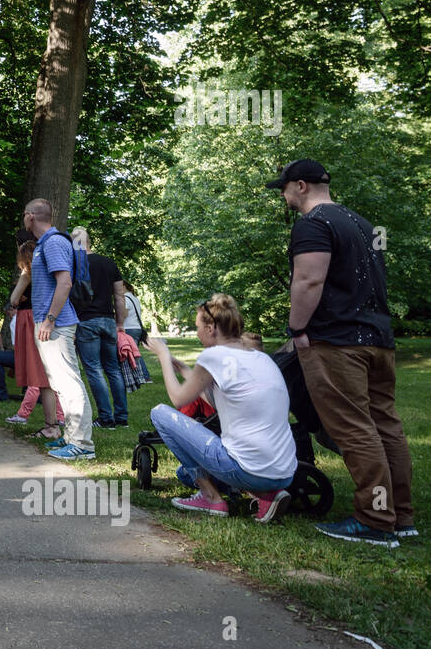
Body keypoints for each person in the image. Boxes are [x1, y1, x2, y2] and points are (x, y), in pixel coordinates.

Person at [269, 158, 414, 547]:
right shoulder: (363, 224)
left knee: (354, 428)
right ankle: (400, 515)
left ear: (300, 185)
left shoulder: (313, 224)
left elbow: (309, 279)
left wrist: (298, 328)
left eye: (283, 189)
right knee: (386, 426)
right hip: (378, 340)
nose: (282, 197)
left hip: (338, 341)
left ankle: (374, 520)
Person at [146, 294, 297, 522]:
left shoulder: (214, 355)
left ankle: (211, 497)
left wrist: (164, 357)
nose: (197, 333)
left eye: (197, 327)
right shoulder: (260, 357)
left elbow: (178, 399)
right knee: (183, 474)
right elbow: (220, 402)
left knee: (160, 413)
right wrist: (184, 369)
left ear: (211, 328)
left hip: (248, 469)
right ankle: (267, 494)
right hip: (284, 472)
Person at [22, 199, 93, 460]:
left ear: (31, 216)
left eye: (24, 214)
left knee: (69, 383)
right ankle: (71, 437)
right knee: (60, 384)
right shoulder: (45, 243)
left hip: (58, 323)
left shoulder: (53, 243)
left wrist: (50, 319)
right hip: (50, 321)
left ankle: (82, 445)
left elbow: (64, 283)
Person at [68, 226, 128, 428]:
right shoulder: (109, 263)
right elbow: (119, 297)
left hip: (86, 321)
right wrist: (120, 323)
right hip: (108, 320)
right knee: (113, 369)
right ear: (89, 241)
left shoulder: (75, 264)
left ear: (74, 243)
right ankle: (122, 417)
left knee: (94, 369)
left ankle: (106, 418)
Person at [5, 237, 65, 432]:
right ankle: (57, 419)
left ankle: (50, 422)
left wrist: (23, 280)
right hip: (45, 317)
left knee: (38, 371)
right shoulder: (48, 273)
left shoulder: (27, 273)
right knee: (46, 370)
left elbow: (14, 300)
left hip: (29, 319)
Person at [121, 281, 151, 382]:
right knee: (134, 353)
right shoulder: (134, 298)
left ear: (124, 286)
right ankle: (138, 375)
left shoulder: (125, 298)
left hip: (129, 328)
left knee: (134, 354)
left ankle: (145, 376)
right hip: (136, 328)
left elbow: (123, 314)